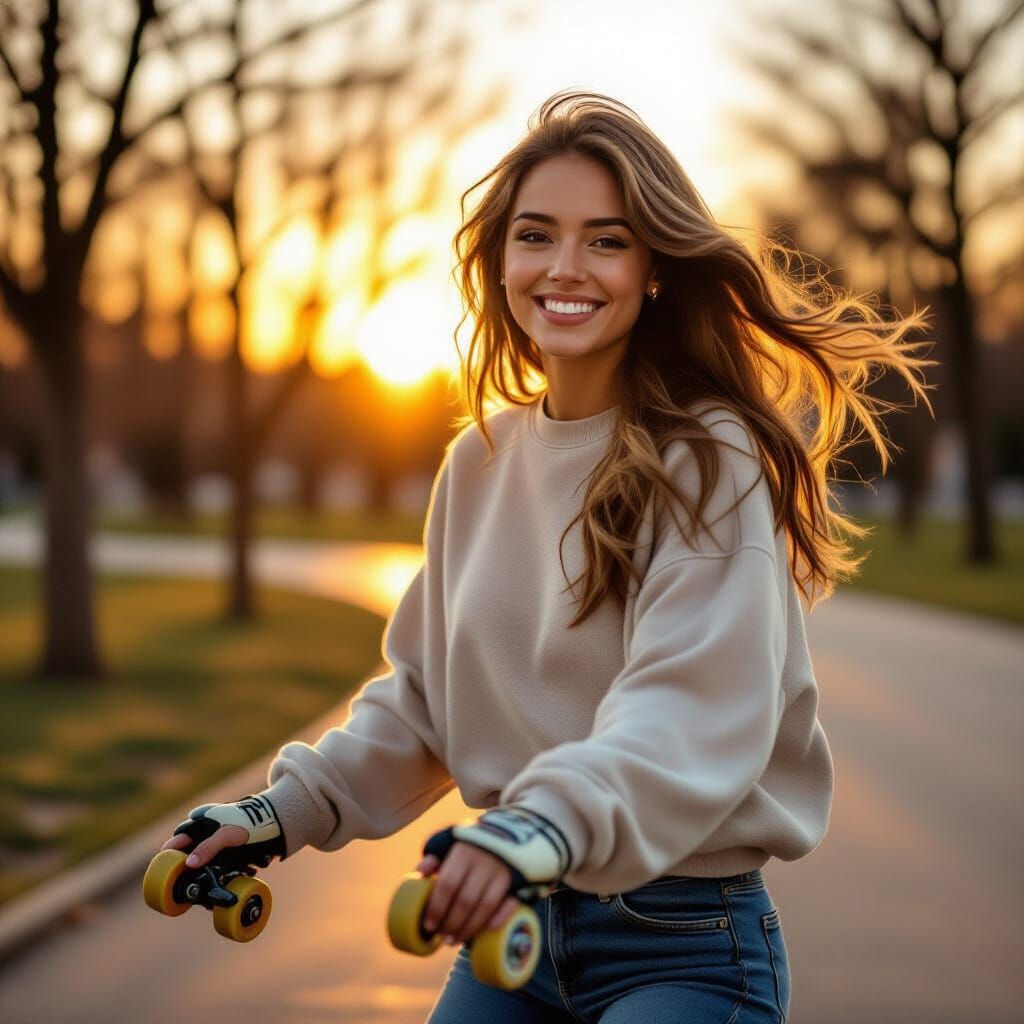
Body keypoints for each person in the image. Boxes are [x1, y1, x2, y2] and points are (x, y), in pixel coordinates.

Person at [159, 89, 935, 1021]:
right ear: (501, 258)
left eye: (606, 239)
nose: (566, 267)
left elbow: (686, 709)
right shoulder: (478, 462)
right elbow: (422, 704)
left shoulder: (708, 454)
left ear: (654, 268)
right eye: (537, 235)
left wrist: (536, 825)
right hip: (514, 931)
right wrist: (279, 814)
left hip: (685, 944)